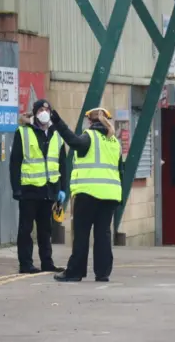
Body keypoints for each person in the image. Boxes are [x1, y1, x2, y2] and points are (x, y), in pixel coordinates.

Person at [50, 107, 124, 282]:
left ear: (90, 121)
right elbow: (120, 170)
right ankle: (103, 273)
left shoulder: (90, 137)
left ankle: (75, 272)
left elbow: (72, 141)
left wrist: (58, 123)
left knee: (82, 234)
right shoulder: (114, 142)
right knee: (103, 234)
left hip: (88, 194)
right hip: (110, 195)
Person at [9, 99, 67, 274]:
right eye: (41, 109)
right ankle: (25, 264)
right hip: (29, 189)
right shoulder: (23, 132)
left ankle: (47, 263)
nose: (44, 112)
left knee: (45, 230)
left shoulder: (56, 134)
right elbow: (15, 163)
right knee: (26, 229)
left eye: (47, 109)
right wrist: (16, 188)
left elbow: (62, 164)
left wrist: (63, 188)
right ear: (34, 113)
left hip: (49, 189)